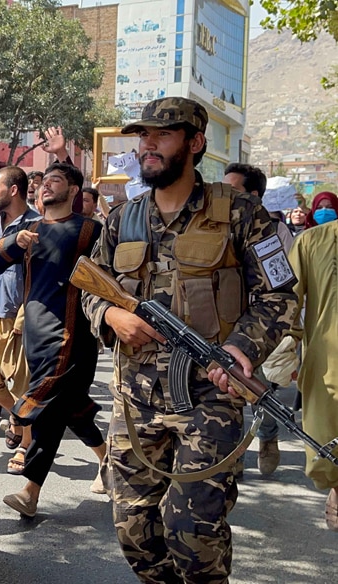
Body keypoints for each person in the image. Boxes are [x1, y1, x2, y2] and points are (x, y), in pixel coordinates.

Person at [82, 97, 298, 583]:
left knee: (190, 527)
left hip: (211, 399)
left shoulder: (241, 212)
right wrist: (113, 314)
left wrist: (241, 348)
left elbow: (280, 295)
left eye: (162, 135)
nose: (148, 145)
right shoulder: (123, 219)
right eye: (143, 136)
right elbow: (87, 290)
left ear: (195, 143)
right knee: (134, 529)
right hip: (136, 398)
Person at [0, 162, 107, 516]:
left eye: (57, 181)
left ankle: (30, 490)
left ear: (74, 192)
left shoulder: (91, 231)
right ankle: (108, 458)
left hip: (71, 336)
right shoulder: (30, 230)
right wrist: (13, 240)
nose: (47, 186)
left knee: (36, 409)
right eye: (45, 181)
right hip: (34, 337)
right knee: (70, 409)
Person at [222, 162, 292, 475]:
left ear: (252, 195)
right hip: (226, 326)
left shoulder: (277, 233)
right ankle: (234, 455)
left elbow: (284, 288)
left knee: (257, 391)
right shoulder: (218, 225)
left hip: (263, 328)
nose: (223, 195)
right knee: (226, 394)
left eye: (232, 189)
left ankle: (267, 439)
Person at [0, 166, 39, 474]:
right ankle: (16, 417)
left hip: (20, 319)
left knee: (21, 386)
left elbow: (38, 278)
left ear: (13, 190)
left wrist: (24, 317)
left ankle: (26, 444)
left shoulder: (36, 224)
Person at [288, 212, 338, 530]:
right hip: (326, 367)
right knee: (328, 447)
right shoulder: (312, 241)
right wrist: (282, 358)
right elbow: (285, 301)